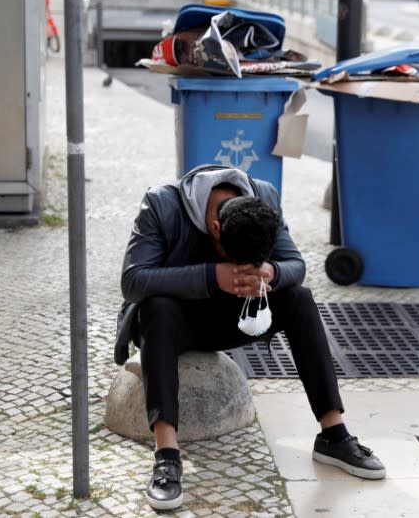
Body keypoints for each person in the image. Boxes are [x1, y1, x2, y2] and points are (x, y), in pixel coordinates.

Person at [115, 164, 386, 511]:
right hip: (172, 323)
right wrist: (214, 276)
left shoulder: (263, 198)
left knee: (299, 298)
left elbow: (295, 264)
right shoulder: (161, 204)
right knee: (157, 307)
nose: (244, 268)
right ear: (214, 227)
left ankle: (333, 434)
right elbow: (134, 280)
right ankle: (167, 455)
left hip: (237, 316)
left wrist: (270, 272)